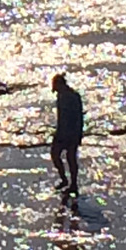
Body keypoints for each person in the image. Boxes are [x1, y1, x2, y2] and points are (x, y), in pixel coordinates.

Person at [50, 73, 83, 202]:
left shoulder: (73, 97)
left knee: (71, 158)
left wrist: (77, 134)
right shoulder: (61, 96)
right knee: (55, 154)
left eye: (56, 87)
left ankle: (73, 184)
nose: (55, 90)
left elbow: (78, 117)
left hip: (71, 132)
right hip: (61, 132)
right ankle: (64, 179)